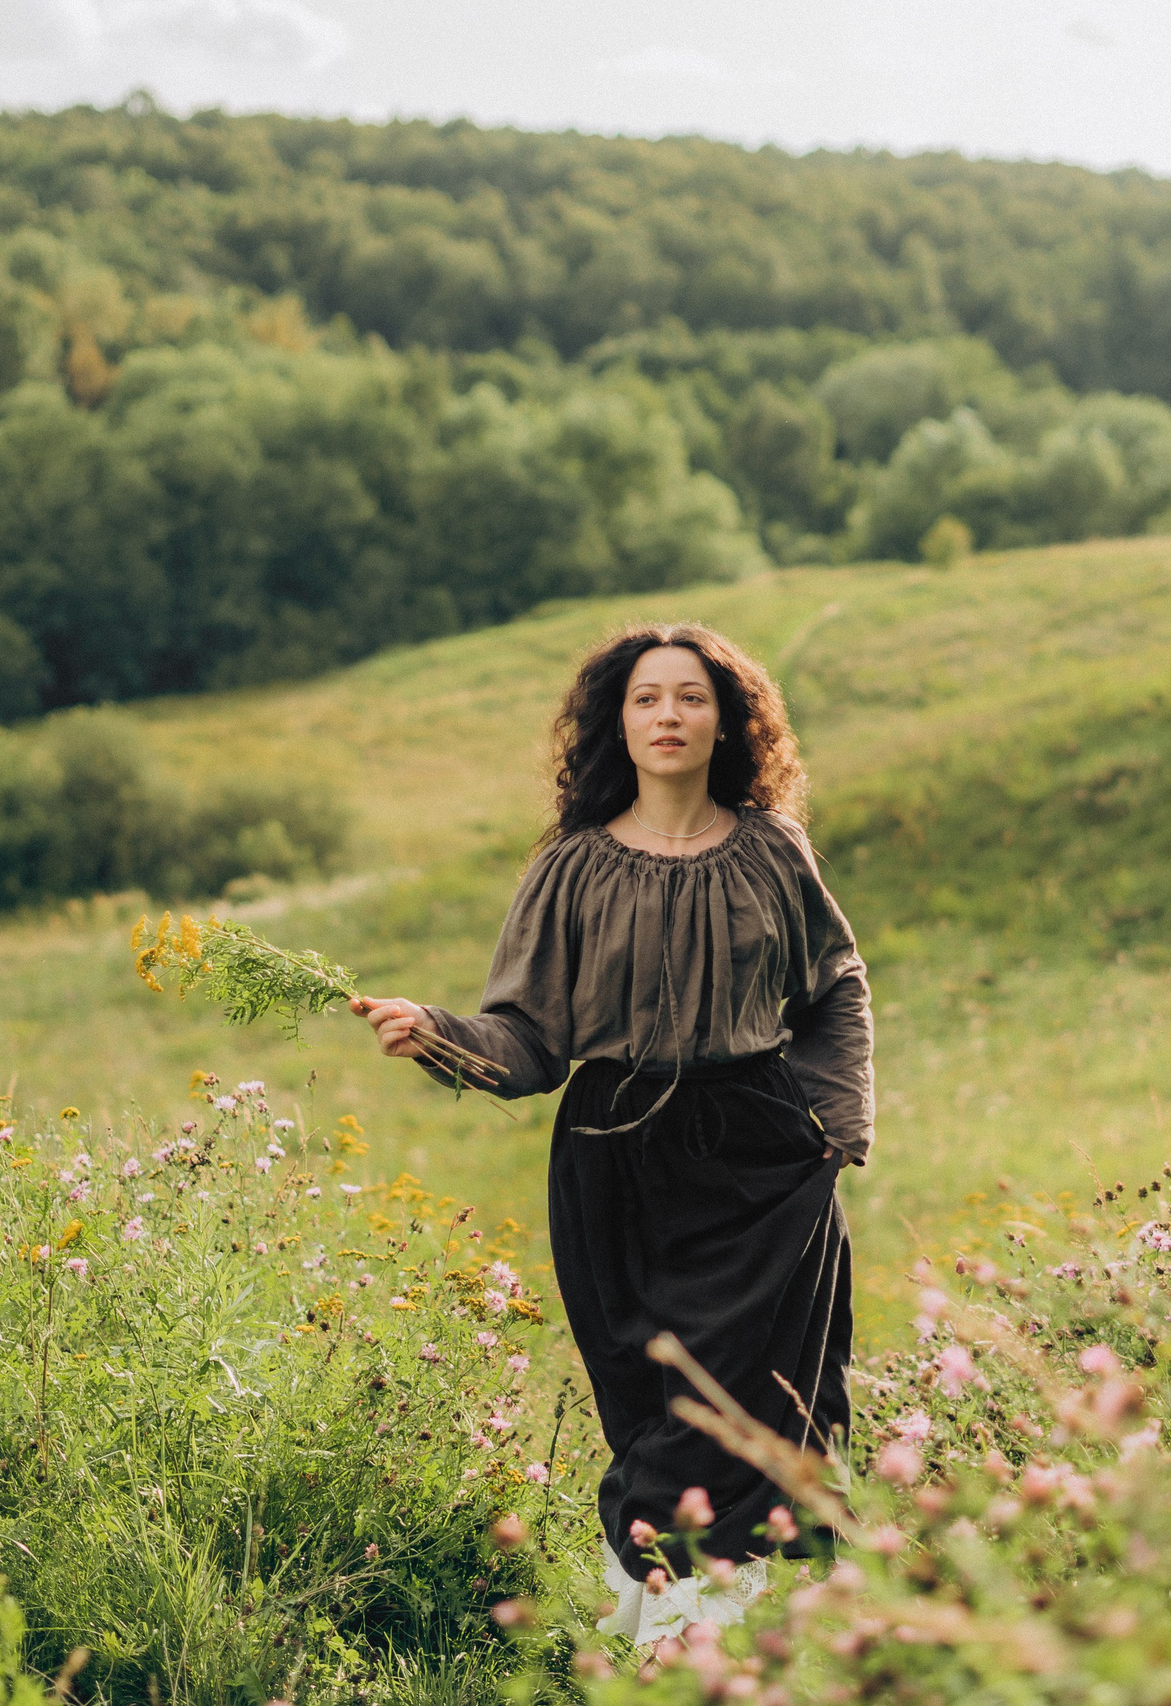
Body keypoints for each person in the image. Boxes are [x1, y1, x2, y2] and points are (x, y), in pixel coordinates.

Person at [351, 622, 873, 1645]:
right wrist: (438, 1036)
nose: (668, 715)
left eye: (690, 696)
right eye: (646, 698)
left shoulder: (772, 848)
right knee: (649, 1396)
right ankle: (662, 1612)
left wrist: (835, 1124)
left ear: (727, 720)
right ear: (615, 723)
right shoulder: (573, 867)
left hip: (761, 1153)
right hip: (615, 1156)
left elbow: (834, 985)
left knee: (756, 1398)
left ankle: (705, 1635)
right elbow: (530, 1037)